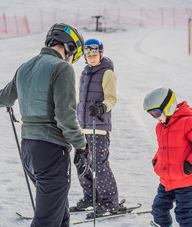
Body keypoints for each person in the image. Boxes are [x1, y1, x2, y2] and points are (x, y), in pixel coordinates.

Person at [0, 23, 87, 227]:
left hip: (29, 151)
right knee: (47, 221)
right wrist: (82, 145)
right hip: (52, 152)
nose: (72, 61)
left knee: (60, 215)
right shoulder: (62, 68)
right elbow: (65, 117)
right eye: (74, 55)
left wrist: (4, 98)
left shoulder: (25, 67)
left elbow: (2, 99)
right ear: (70, 47)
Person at [143, 87, 192, 227]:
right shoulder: (160, 127)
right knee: (158, 210)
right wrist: (156, 161)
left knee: (184, 215)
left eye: (156, 112)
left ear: (168, 106)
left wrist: (190, 164)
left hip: (186, 181)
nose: (155, 117)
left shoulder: (188, 122)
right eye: (151, 114)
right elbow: (164, 148)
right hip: (167, 180)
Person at [74, 38, 119, 217]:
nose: (92, 58)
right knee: (81, 163)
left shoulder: (107, 73)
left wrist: (101, 107)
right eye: (89, 55)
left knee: (99, 164)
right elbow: (79, 99)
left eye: (95, 55)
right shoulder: (84, 73)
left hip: (98, 126)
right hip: (82, 127)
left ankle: (109, 202)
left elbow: (112, 98)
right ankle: (90, 197)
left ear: (101, 53)